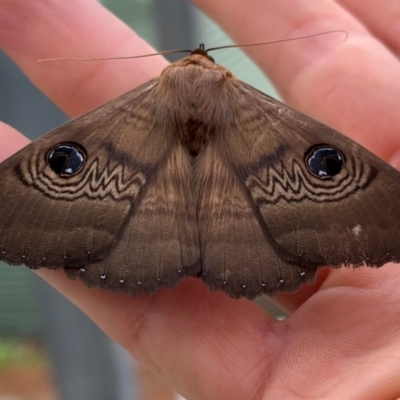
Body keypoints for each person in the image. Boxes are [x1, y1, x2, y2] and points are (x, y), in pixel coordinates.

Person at [1, 0, 400, 398]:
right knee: (322, 160)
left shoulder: (138, 104)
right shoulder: (255, 108)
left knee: (64, 161)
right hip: (245, 234)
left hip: (141, 233)